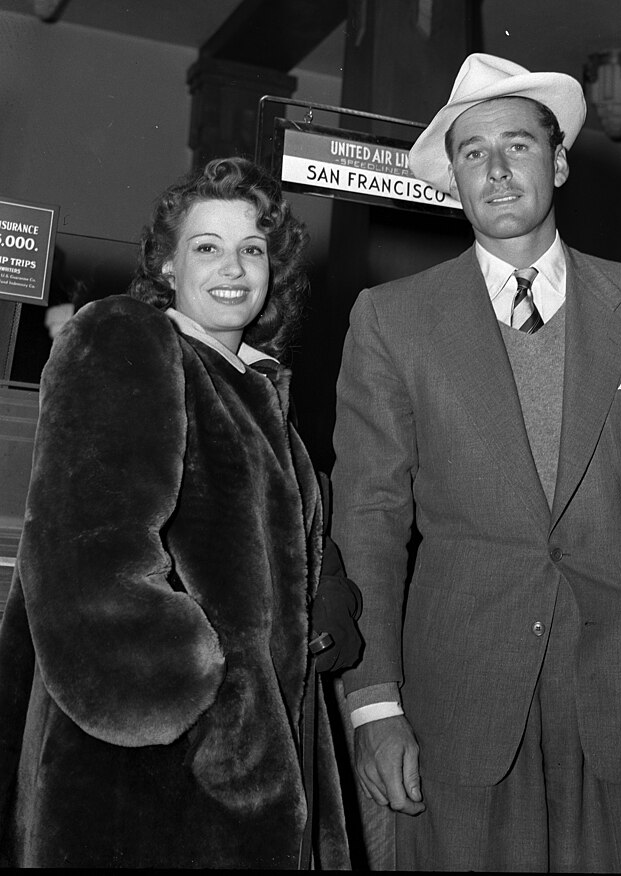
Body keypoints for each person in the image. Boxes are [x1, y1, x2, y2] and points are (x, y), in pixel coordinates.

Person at [330, 54, 621, 872]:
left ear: (561, 160)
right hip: (459, 701)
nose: (497, 171)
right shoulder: (391, 321)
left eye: (519, 146)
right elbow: (368, 517)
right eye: (473, 153)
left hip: (617, 688)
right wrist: (374, 704)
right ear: (454, 178)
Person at [0, 157, 361, 869]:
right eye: (207, 247)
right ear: (168, 265)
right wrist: (228, 721)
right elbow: (92, 566)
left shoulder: (263, 403)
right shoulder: (129, 339)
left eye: (252, 249)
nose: (233, 267)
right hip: (143, 785)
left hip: (239, 788)